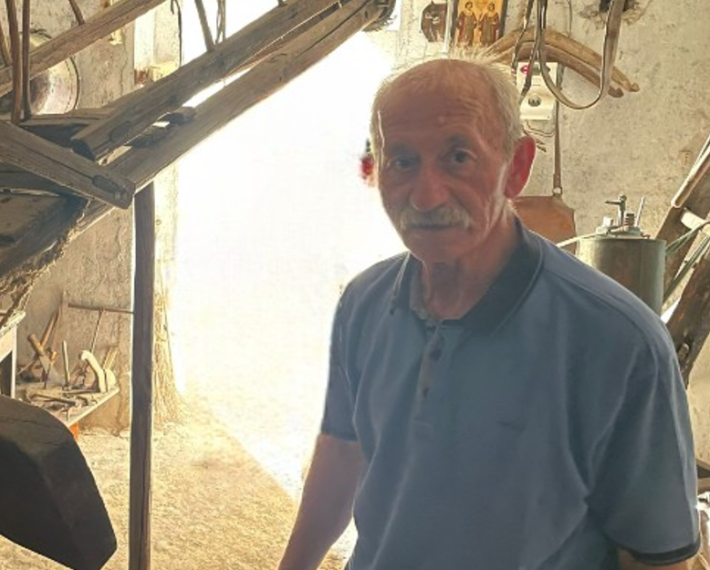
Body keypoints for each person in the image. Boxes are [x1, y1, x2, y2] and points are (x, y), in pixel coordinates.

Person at [277, 58, 700, 570]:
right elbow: (343, 451)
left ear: (516, 167)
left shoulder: (618, 341)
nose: (426, 196)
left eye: (458, 157)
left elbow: (658, 558)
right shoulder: (364, 303)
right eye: (402, 161)